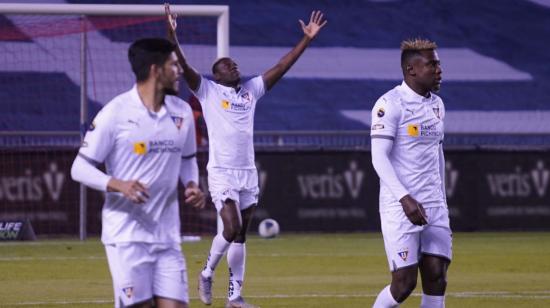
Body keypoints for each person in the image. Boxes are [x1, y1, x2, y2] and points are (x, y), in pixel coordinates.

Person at [165, 4, 327, 307]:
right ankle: (206, 273)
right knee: (230, 227)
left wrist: (306, 39)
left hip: (247, 172)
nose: (234, 67)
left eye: (235, 64)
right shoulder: (208, 91)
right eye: (227, 66)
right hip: (222, 171)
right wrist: (173, 38)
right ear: (216, 74)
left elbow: (282, 66)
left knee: (240, 237)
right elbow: (185, 67)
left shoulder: (251, 89)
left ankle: (235, 297)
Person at [71, 37, 206, 308]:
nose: (179, 71)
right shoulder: (115, 113)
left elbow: (187, 159)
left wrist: (191, 184)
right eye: (174, 65)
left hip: (167, 235)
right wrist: (118, 184)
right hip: (126, 237)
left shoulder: (182, 113)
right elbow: (79, 168)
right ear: (156, 69)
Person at [370, 38, 452, 308]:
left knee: (436, 276)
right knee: (404, 284)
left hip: (433, 204)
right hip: (399, 206)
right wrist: (405, 198)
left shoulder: (437, 105)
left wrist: (441, 197)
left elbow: (437, 152)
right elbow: (379, 157)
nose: (438, 70)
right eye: (432, 64)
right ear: (411, 69)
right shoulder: (390, 104)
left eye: (438, 64)